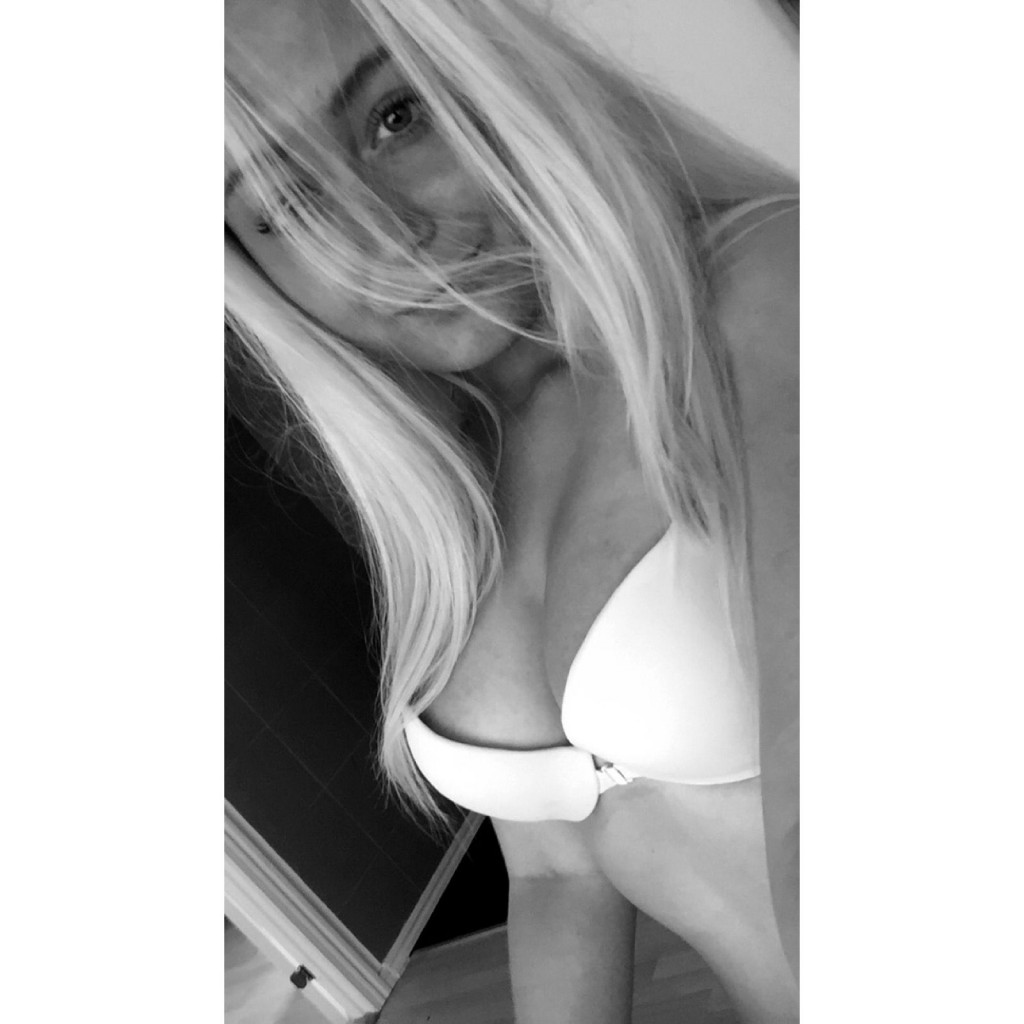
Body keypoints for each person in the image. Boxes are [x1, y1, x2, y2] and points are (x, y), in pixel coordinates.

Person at [224, 1, 798, 1020]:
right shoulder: (450, 482)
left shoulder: (767, 291)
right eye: (285, 201)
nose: (382, 237)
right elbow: (553, 870)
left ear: (496, 77)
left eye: (396, 116)